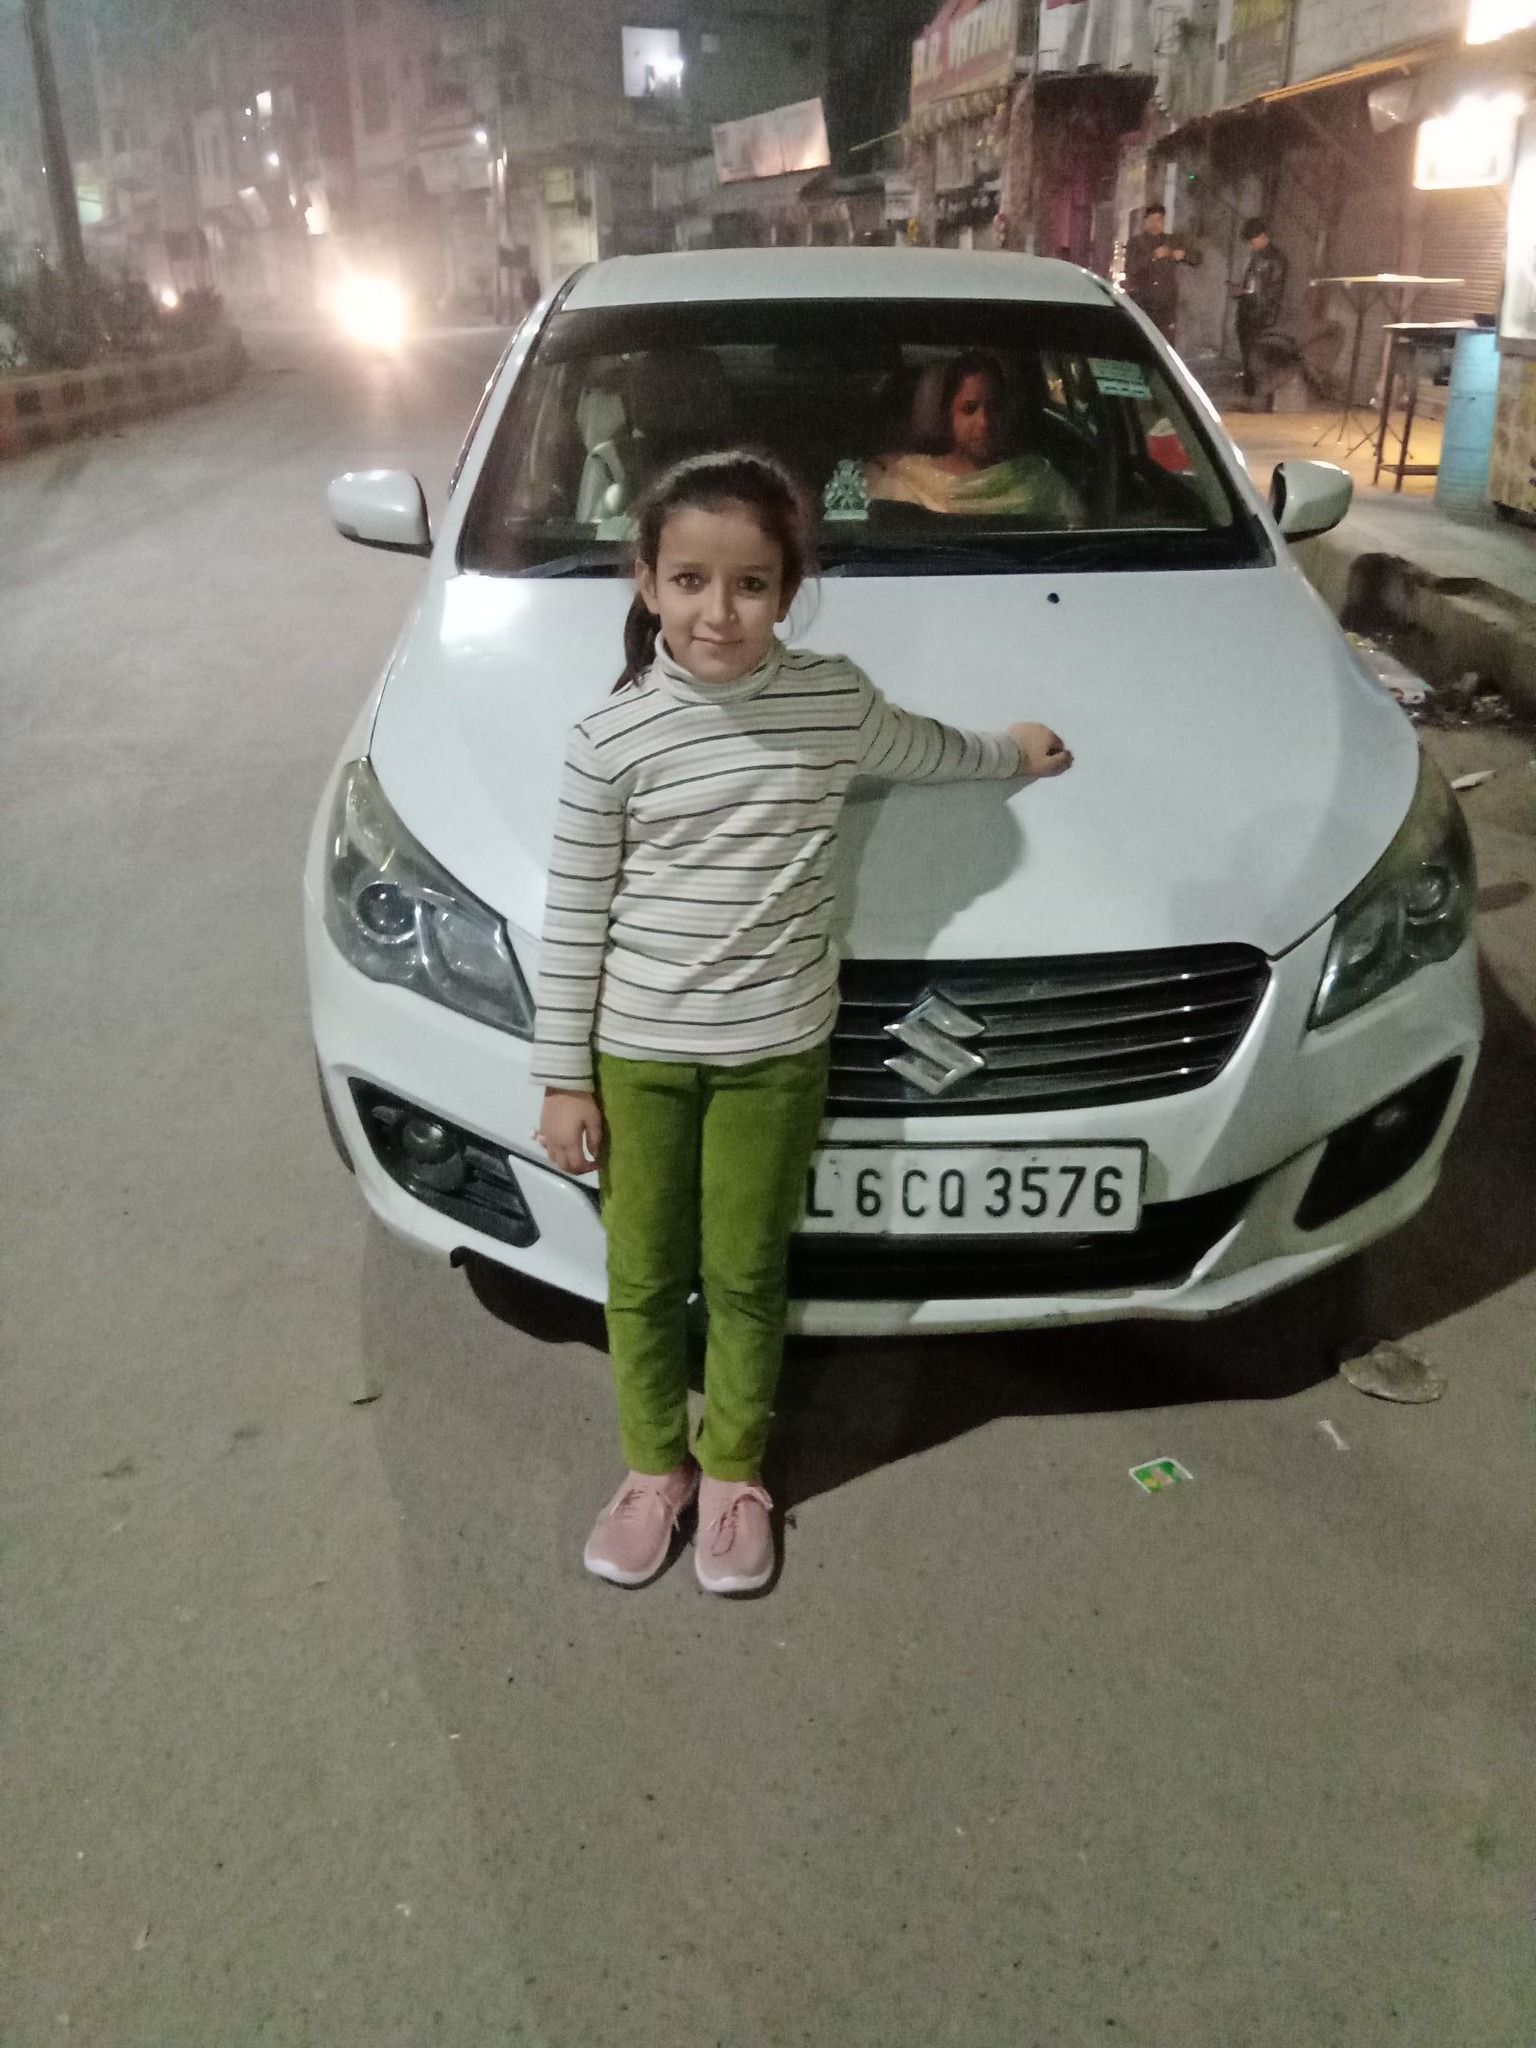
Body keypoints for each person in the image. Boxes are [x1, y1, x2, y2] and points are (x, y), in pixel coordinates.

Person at [531, 449, 1073, 1596]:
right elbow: (574, 914)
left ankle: (731, 1471)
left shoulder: (831, 700)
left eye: (748, 584)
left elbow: (930, 748)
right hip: (640, 1059)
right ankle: (649, 1469)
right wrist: (563, 1077)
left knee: (743, 1271)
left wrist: (1013, 750)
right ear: (645, 582)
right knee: (639, 1276)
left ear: (787, 587)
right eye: (688, 581)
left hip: (775, 1053)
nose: (716, 612)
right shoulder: (609, 740)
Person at [865, 351, 1084, 524]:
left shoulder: (1038, 481)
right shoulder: (908, 482)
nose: (984, 422)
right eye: (969, 409)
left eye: (995, 407)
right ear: (947, 414)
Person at [1230, 216, 1288, 403]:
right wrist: (1241, 290)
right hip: (1247, 312)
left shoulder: (1276, 258)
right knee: (1248, 356)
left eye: (1253, 239)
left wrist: (1265, 312)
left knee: (1258, 358)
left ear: (1262, 236)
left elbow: (1273, 290)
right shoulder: (1255, 257)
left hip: (1261, 316)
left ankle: (1257, 397)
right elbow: (1253, 285)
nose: (1251, 243)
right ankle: (1250, 395)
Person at [1123, 203, 1186, 343]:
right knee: (1142, 342)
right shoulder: (1135, 242)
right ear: (1145, 221)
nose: (1155, 224)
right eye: (1151, 220)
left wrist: (1182, 254)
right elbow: (1131, 269)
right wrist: (1152, 256)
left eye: (1159, 220)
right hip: (1143, 302)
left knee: (1165, 344)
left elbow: (1196, 257)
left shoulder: (1172, 240)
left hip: (1166, 305)